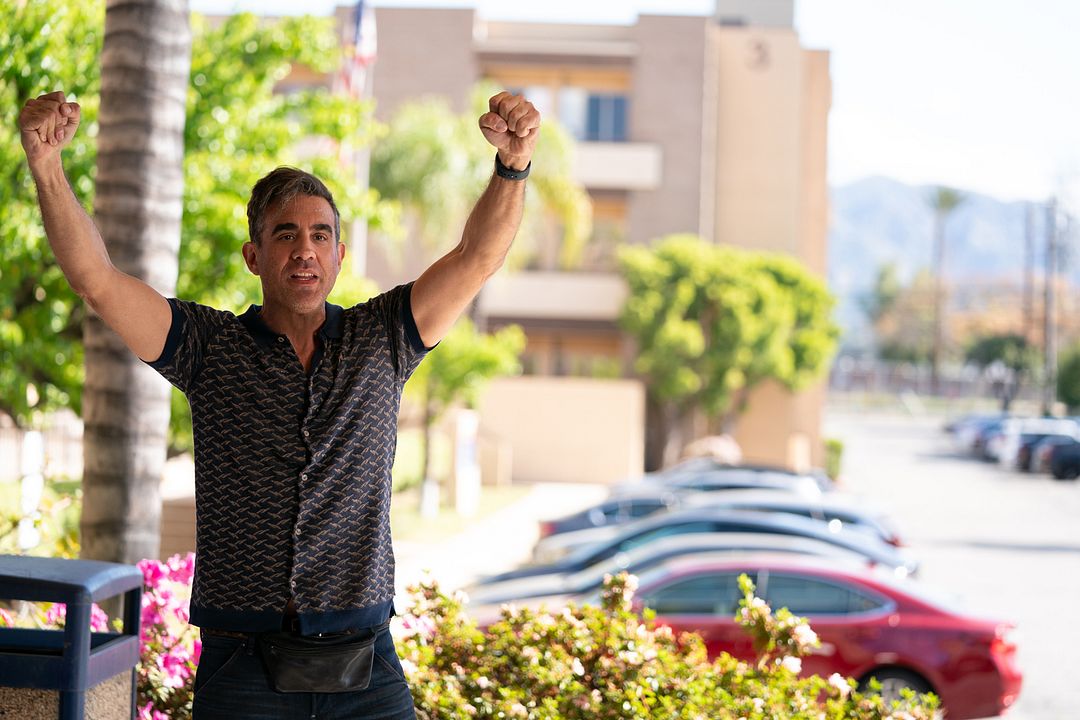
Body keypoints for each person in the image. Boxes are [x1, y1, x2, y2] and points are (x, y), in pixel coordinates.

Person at [19, 88, 540, 719]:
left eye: (322, 235)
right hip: (243, 669)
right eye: (285, 234)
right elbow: (98, 282)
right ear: (253, 255)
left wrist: (512, 167)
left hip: (366, 665)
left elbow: (476, 258)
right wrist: (46, 166)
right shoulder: (209, 348)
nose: (305, 249)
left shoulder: (383, 338)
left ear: (341, 256)